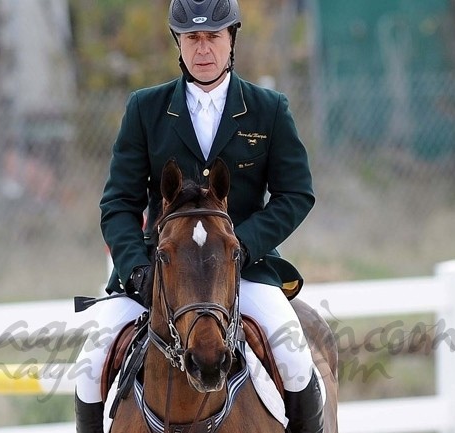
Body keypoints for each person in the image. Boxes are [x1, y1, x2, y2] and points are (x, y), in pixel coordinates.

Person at [74, 1, 323, 432]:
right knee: (89, 363)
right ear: (179, 43)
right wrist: (136, 270)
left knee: (296, 357)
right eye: (192, 38)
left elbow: (296, 193)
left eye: (212, 37)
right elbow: (118, 204)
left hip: (243, 267)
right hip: (162, 274)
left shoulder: (269, 109)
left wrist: (243, 246)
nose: (202, 49)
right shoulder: (145, 110)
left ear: (231, 40)